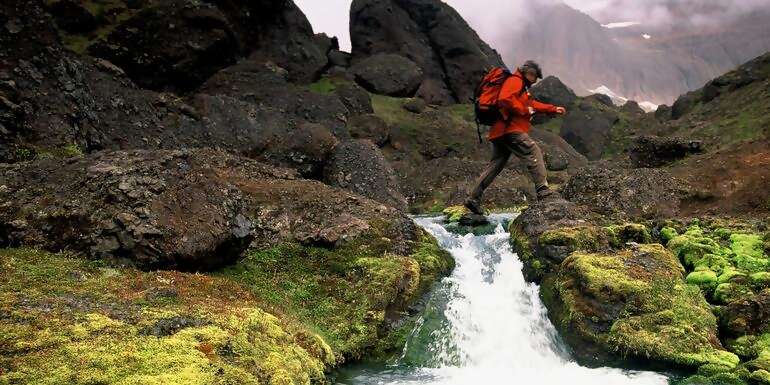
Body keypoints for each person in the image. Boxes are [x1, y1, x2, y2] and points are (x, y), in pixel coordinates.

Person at [465, 60, 567, 215]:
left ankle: (473, 198)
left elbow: (531, 104)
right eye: (535, 77)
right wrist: (525, 111)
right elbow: (505, 99)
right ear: (530, 74)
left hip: (500, 132)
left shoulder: (521, 87)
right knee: (533, 150)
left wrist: (552, 109)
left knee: (496, 165)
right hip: (510, 129)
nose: (534, 81)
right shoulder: (515, 81)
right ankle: (543, 190)